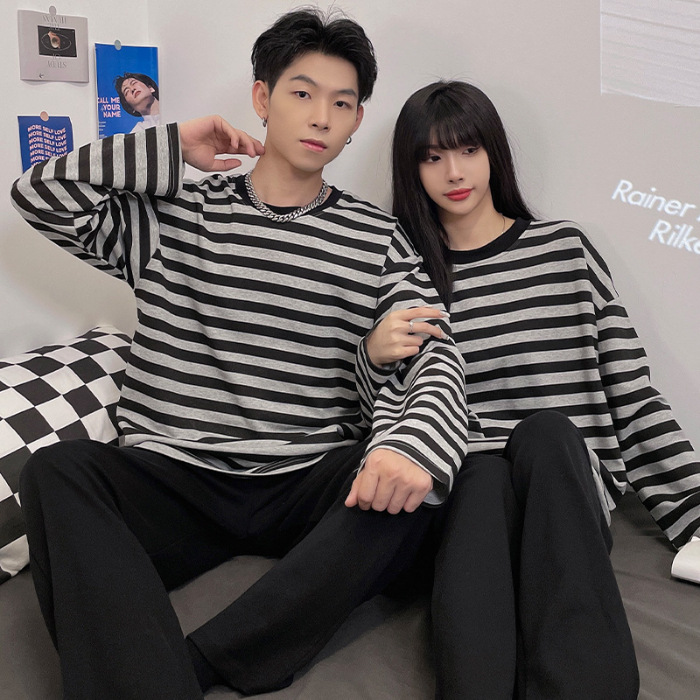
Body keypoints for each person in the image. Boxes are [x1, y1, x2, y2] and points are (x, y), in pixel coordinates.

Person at [10, 13, 472, 700]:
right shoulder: (174, 216)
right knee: (56, 472)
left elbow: (436, 352)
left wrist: (411, 446)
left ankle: (201, 665)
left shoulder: (378, 239)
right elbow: (38, 194)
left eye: (341, 103)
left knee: (431, 485)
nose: (320, 117)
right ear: (262, 98)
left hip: (306, 477)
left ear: (356, 121)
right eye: (301, 93)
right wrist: (173, 143)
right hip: (175, 477)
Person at [362, 80, 699, 698]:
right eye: (432, 157)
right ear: (412, 170)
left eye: (468, 149)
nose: (454, 172)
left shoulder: (565, 251)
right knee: (483, 478)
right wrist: (372, 354)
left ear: (494, 151)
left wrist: (695, 514)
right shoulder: (406, 278)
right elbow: (390, 412)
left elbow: (633, 396)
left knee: (546, 432)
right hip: (466, 496)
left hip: (562, 488)